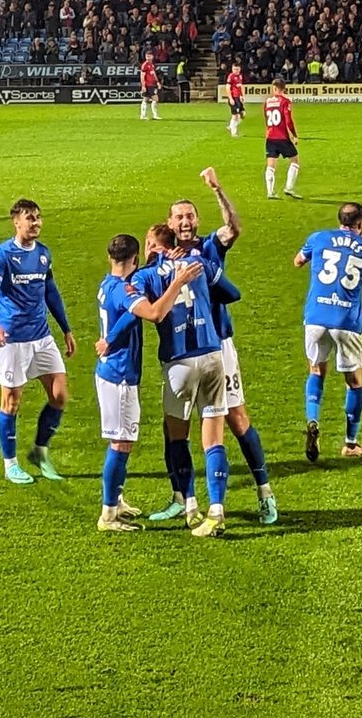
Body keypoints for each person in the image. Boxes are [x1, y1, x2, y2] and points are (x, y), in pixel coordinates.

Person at [160, 169, 276, 524]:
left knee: (236, 419)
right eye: (179, 216)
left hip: (217, 346)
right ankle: (182, 498)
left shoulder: (210, 246)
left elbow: (234, 227)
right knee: (173, 425)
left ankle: (264, 492)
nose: (185, 221)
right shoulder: (162, 256)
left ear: (197, 220)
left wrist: (217, 189)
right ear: (169, 222)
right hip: (181, 350)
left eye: (190, 215)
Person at [92, 236, 201, 531]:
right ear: (135, 260)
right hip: (120, 376)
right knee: (121, 443)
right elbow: (153, 313)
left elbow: (127, 314)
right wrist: (177, 282)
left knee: (121, 441)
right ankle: (108, 514)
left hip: (110, 371)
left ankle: (115, 498)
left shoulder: (106, 284)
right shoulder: (124, 291)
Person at [142, 221, 234, 538]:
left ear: (154, 246)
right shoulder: (199, 263)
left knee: (178, 437)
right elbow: (232, 293)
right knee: (214, 440)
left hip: (178, 362)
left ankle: (191, 506)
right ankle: (217, 511)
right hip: (212, 355)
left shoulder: (146, 275)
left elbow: (141, 308)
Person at [0, 198, 75, 486]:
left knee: (59, 396)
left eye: (38, 218)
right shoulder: (2, 255)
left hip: (42, 336)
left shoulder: (44, 254)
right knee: (11, 402)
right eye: (29, 218)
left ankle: (40, 451)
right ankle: (11, 465)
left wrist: (66, 329)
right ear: (16, 222)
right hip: (12, 340)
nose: (35, 223)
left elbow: (51, 292)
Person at [296, 202, 362, 461]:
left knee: (316, 370)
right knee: (354, 382)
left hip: (316, 317)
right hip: (346, 320)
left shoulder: (319, 237)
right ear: (359, 223)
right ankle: (351, 443)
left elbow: (298, 261)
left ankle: (312, 420)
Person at [264, 79, 300, 198]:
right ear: (284, 88)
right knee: (294, 160)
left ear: (274, 88)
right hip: (282, 137)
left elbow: (266, 119)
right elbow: (288, 121)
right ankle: (289, 188)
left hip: (270, 137)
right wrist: (294, 135)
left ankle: (270, 192)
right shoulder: (285, 101)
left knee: (271, 165)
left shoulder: (267, 101)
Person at [224, 62, 246, 137]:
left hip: (238, 98)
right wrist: (230, 98)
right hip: (233, 97)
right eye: (234, 69)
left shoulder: (240, 76)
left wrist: (242, 95)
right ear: (232, 69)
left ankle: (231, 126)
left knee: (243, 114)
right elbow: (227, 87)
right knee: (235, 115)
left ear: (240, 69)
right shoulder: (231, 76)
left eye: (237, 69)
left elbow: (240, 86)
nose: (236, 71)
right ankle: (234, 132)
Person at [138, 51, 161, 121]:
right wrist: (143, 86)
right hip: (148, 85)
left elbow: (154, 75)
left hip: (152, 84)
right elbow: (142, 76)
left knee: (146, 99)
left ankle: (143, 115)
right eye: (147, 56)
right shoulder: (144, 65)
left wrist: (157, 82)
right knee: (156, 99)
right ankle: (155, 115)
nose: (148, 57)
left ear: (152, 57)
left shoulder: (152, 65)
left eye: (149, 56)